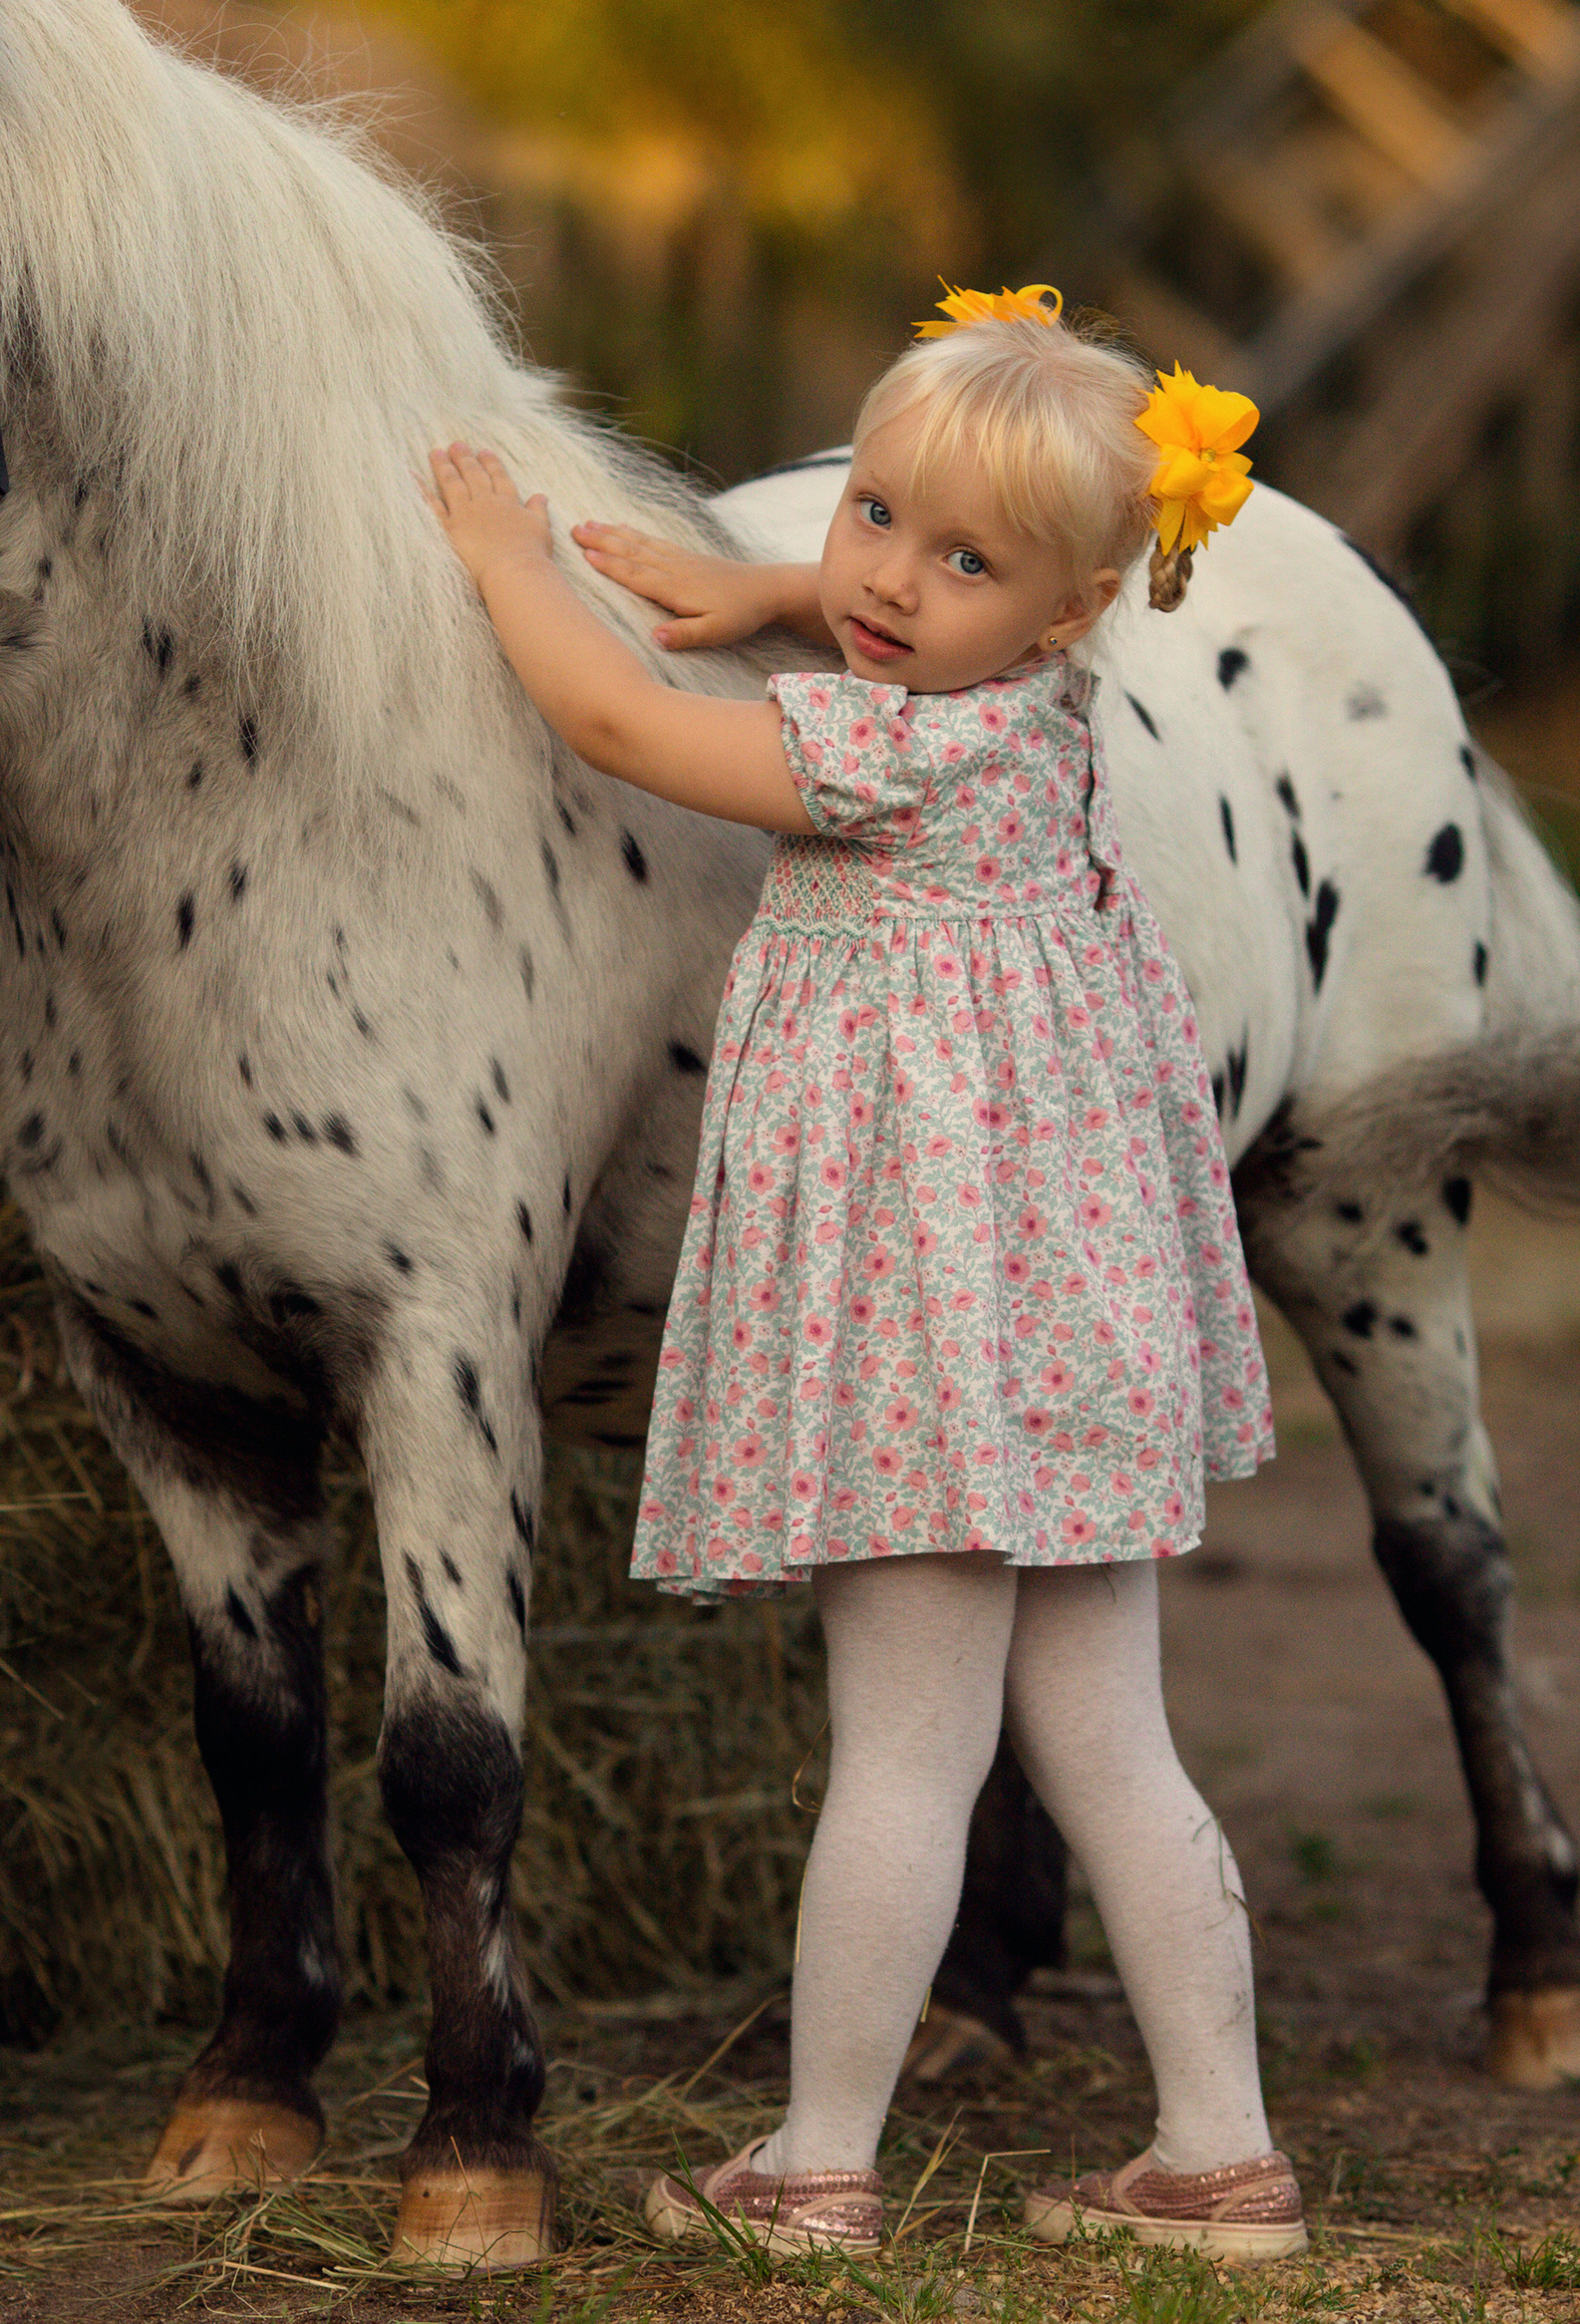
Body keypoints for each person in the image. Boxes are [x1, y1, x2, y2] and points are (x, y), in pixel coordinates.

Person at [427, 286, 1304, 2264]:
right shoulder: (1045, 721)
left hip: (931, 1334)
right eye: (874, 515)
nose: (891, 579)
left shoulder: (887, 760)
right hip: (1061, 1322)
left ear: (1063, 604)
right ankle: (1217, 2150)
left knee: (904, 1742)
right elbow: (894, 636)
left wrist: (509, 559)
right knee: (1108, 1736)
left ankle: (816, 2162)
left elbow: (614, 721)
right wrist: (769, 594)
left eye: (960, 556)